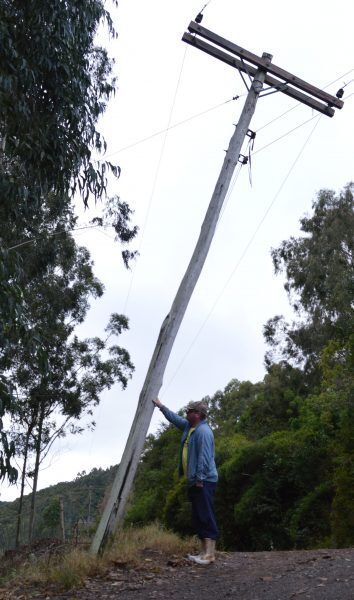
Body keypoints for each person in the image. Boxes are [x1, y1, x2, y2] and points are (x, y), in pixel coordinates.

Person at [152, 397, 218, 565]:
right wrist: (161, 406)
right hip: (195, 480)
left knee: (205, 515)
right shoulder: (190, 427)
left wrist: (200, 479)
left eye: (189, 411)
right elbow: (176, 419)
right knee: (198, 516)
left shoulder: (203, 432)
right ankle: (203, 553)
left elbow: (203, 457)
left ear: (197, 414)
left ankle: (210, 555)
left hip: (203, 480)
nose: (186, 413)